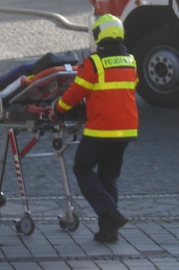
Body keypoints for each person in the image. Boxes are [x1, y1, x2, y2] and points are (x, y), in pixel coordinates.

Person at [52, 13, 138, 244]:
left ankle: (111, 212)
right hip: (126, 130)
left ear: (99, 35)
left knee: (82, 169)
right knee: (109, 177)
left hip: (101, 129)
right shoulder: (131, 60)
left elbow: (74, 94)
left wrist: (57, 109)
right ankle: (108, 232)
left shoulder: (95, 63)